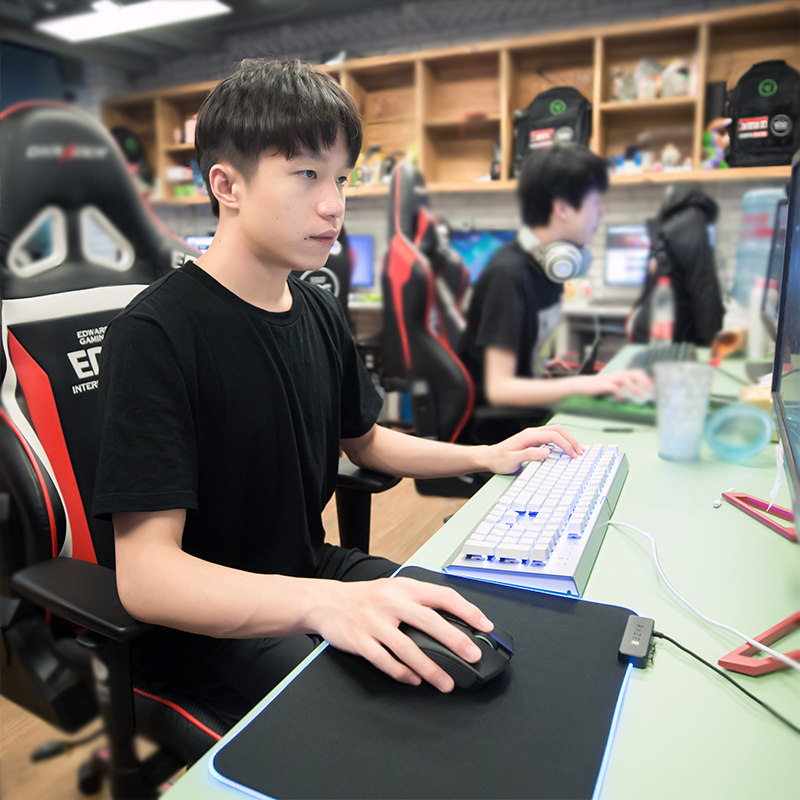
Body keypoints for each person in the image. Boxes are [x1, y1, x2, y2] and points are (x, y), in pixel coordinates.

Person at [93, 57, 584, 732]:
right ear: (226, 185)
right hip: (205, 633)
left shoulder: (317, 308)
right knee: (405, 729)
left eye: (341, 178)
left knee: (486, 640)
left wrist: (487, 455)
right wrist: (324, 606)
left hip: (313, 572)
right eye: (306, 175)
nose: (333, 204)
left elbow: (368, 442)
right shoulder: (155, 334)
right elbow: (148, 578)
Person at [459, 144, 653, 426]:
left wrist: (539, 367)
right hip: (497, 433)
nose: (600, 214)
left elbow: (523, 354)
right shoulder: (509, 275)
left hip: (527, 416)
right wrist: (584, 385)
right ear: (562, 208)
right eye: (595, 203)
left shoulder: (552, 266)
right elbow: (499, 390)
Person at [628, 183, 724, 345]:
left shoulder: (668, 227)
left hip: (653, 330)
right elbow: (704, 290)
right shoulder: (692, 222)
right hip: (671, 338)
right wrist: (710, 343)